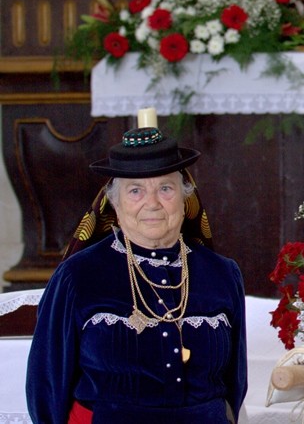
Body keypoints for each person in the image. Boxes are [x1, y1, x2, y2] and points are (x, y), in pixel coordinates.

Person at [27, 125, 247, 423]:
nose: (152, 203)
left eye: (165, 188)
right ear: (115, 204)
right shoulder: (77, 276)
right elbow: (47, 384)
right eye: (135, 191)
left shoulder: (223, 273)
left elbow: (235, 381)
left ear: (185, 200)